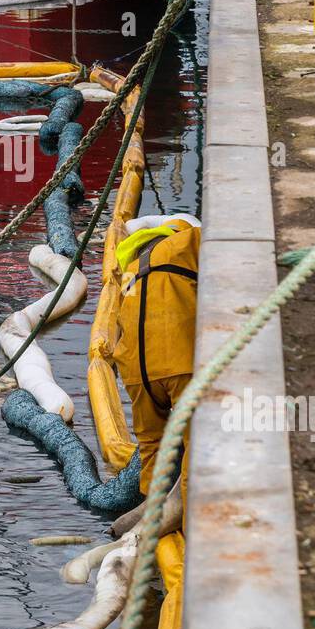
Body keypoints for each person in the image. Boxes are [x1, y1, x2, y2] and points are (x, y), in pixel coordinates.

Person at [112, 213, 200, 506]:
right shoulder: (190, 242)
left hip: (137, 373)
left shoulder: (130, 272)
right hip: (180, 362)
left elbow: (119, 329)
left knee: (151, 446)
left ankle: (150, 520)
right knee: (194, 446)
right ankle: (188, 529)